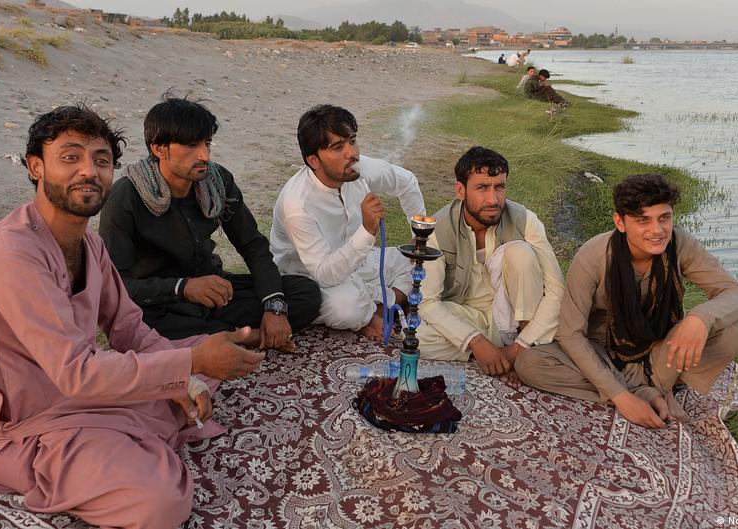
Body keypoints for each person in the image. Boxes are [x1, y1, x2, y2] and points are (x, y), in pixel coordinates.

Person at [0, 105, 267, 528]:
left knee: (197, 365)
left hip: (87, 396)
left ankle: (131, 437)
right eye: (70, 157)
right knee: (159, 503)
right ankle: (120, 452)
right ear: (35, 167)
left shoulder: (90, 245)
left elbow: (128, 327)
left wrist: (186, 377)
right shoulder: (10, 254)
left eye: (101, 161)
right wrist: (190, 365)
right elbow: (77, 373)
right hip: (33, 426)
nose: (89, 171)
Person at [514, 174, 738, 428]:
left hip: (660, 352)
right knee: (530, 364)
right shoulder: (593, 255)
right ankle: (647, 392)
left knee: (731, 331)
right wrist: (621, 397)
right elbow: (571, 334)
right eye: (643, 221)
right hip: (604, 352)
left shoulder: (680, 244)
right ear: (620, 222)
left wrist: (700, 318)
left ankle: (658, 384)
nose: (657, 230)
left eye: (664, 218)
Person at [99, 96, 321, 349]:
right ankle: (244, 337)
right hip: (160, 304)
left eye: (206, 143)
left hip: (215, 293)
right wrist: (183, 287)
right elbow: (115, 285)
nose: (204, 155)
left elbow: (253, 246)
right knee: (135, 328)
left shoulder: (218, 181)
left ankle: (223, 337)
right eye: (191, 146)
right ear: (159, 148)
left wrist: (275, 308)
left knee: (305, 293)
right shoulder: (125, 197)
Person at [270, 104, 426, 340]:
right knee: (346, 308)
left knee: (423, 261)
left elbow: (407, 182)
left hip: (360, 264)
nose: (351, 153)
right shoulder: (297, 205)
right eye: (338, 147)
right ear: (314, 160)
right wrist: (366, 230)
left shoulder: (356, 168)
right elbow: (323, 273)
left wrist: (418, 238)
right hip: (311, 281)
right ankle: (375, 310)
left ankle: (380, 308)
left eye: (352, 141)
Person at [417, 146, 565, 377]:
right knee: (417, 335)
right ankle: (503, 352)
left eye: (500, 187)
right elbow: (427, 302)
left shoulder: (525, 221)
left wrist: (519, 346)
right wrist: (476, 342)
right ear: (460, 190)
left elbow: (556, 291)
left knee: (520, 252)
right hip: (466, 315)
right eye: (482, 188)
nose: (493, 199)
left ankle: (521, 349)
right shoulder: (438, 229)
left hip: (516, 318)